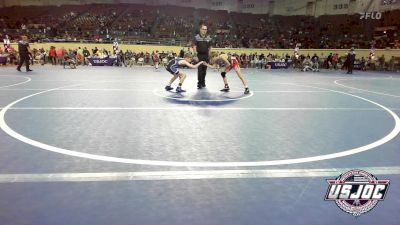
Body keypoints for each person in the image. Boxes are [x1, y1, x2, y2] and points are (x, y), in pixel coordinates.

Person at [193, 24, 213, 89]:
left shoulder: (209, 38)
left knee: (204, 70)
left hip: (206, 55)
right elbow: (194, 46)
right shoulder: (196, 37)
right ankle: (199, 83)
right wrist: (195, 55)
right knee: (200, 70)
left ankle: (203, 82)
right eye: (203, 29)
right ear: (200, 30)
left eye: (205, 29)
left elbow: (210, 48)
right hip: (199, 55)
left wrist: (210, 57)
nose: (204, 30)